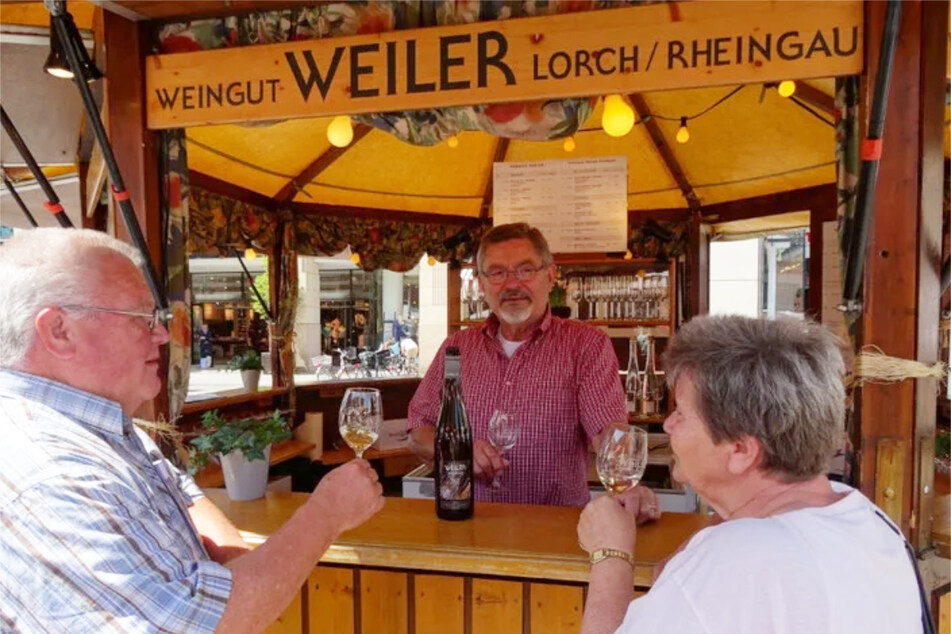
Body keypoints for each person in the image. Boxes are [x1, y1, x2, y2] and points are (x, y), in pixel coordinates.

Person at [0, 228, 385, 633]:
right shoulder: (49, 472)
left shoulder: (99, 429)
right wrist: (325, 515)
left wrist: (245, 584)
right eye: (141, 319)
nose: (162, 335)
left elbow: (183, 496)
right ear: (59, 331)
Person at [577, 315, 926, 634]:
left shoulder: (744, 556)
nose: (668, 425)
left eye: (681, 412)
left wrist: (611, 553)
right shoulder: (865, 517)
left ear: (741, 450)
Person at [407, 222, 660, 515]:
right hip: (470, 526)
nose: (512, 284)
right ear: (480, 284)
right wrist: (457, 452)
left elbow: (607, 432)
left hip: (556, 532)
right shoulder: (457, 348)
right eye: (497, 272)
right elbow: (418, 429)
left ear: (551, 275)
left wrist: (626, 481)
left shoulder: (586, 345)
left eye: (526, 270)